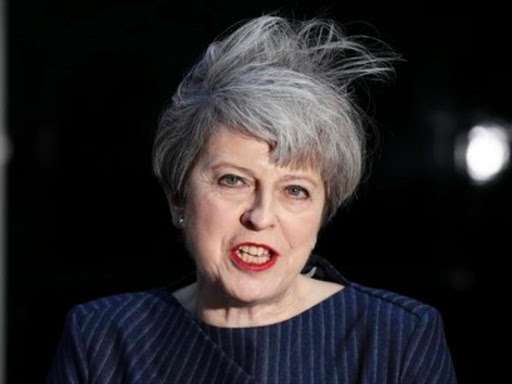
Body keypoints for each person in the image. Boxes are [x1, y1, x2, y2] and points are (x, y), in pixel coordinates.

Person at [47, 15, 458, 384]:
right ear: (177, 198)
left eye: (295, 190)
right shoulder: (102, 339)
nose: (261, 217)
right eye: (233, 181)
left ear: (322, 213)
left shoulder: (398, 339)